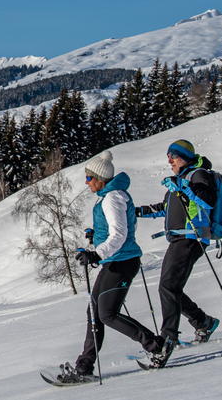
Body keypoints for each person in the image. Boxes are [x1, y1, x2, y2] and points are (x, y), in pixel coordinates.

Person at [64, 150, 162, 382]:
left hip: (122, 262)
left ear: (100, 179)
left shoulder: (113, 198)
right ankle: (85, 365)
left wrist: (97, 254)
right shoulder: (110, 196)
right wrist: (96, 235)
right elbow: (114, 230)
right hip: (115, 261)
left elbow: (119, 235)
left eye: (89, 178)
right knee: (94, 311)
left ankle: (156, 346)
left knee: (106, 314)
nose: (86, 183)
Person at [136, 139, 220, 368]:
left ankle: (168, 337)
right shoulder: (181, 180)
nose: (169, 160)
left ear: (185, 157)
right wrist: (136, 212)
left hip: (192, 237)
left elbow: (207, 200)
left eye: (173, 155)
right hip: (179, 238)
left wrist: (182, 187)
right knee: (170, 288)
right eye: (168, 156)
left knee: (168, 287)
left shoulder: (198, 174)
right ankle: (203, 321)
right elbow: (164, 208)